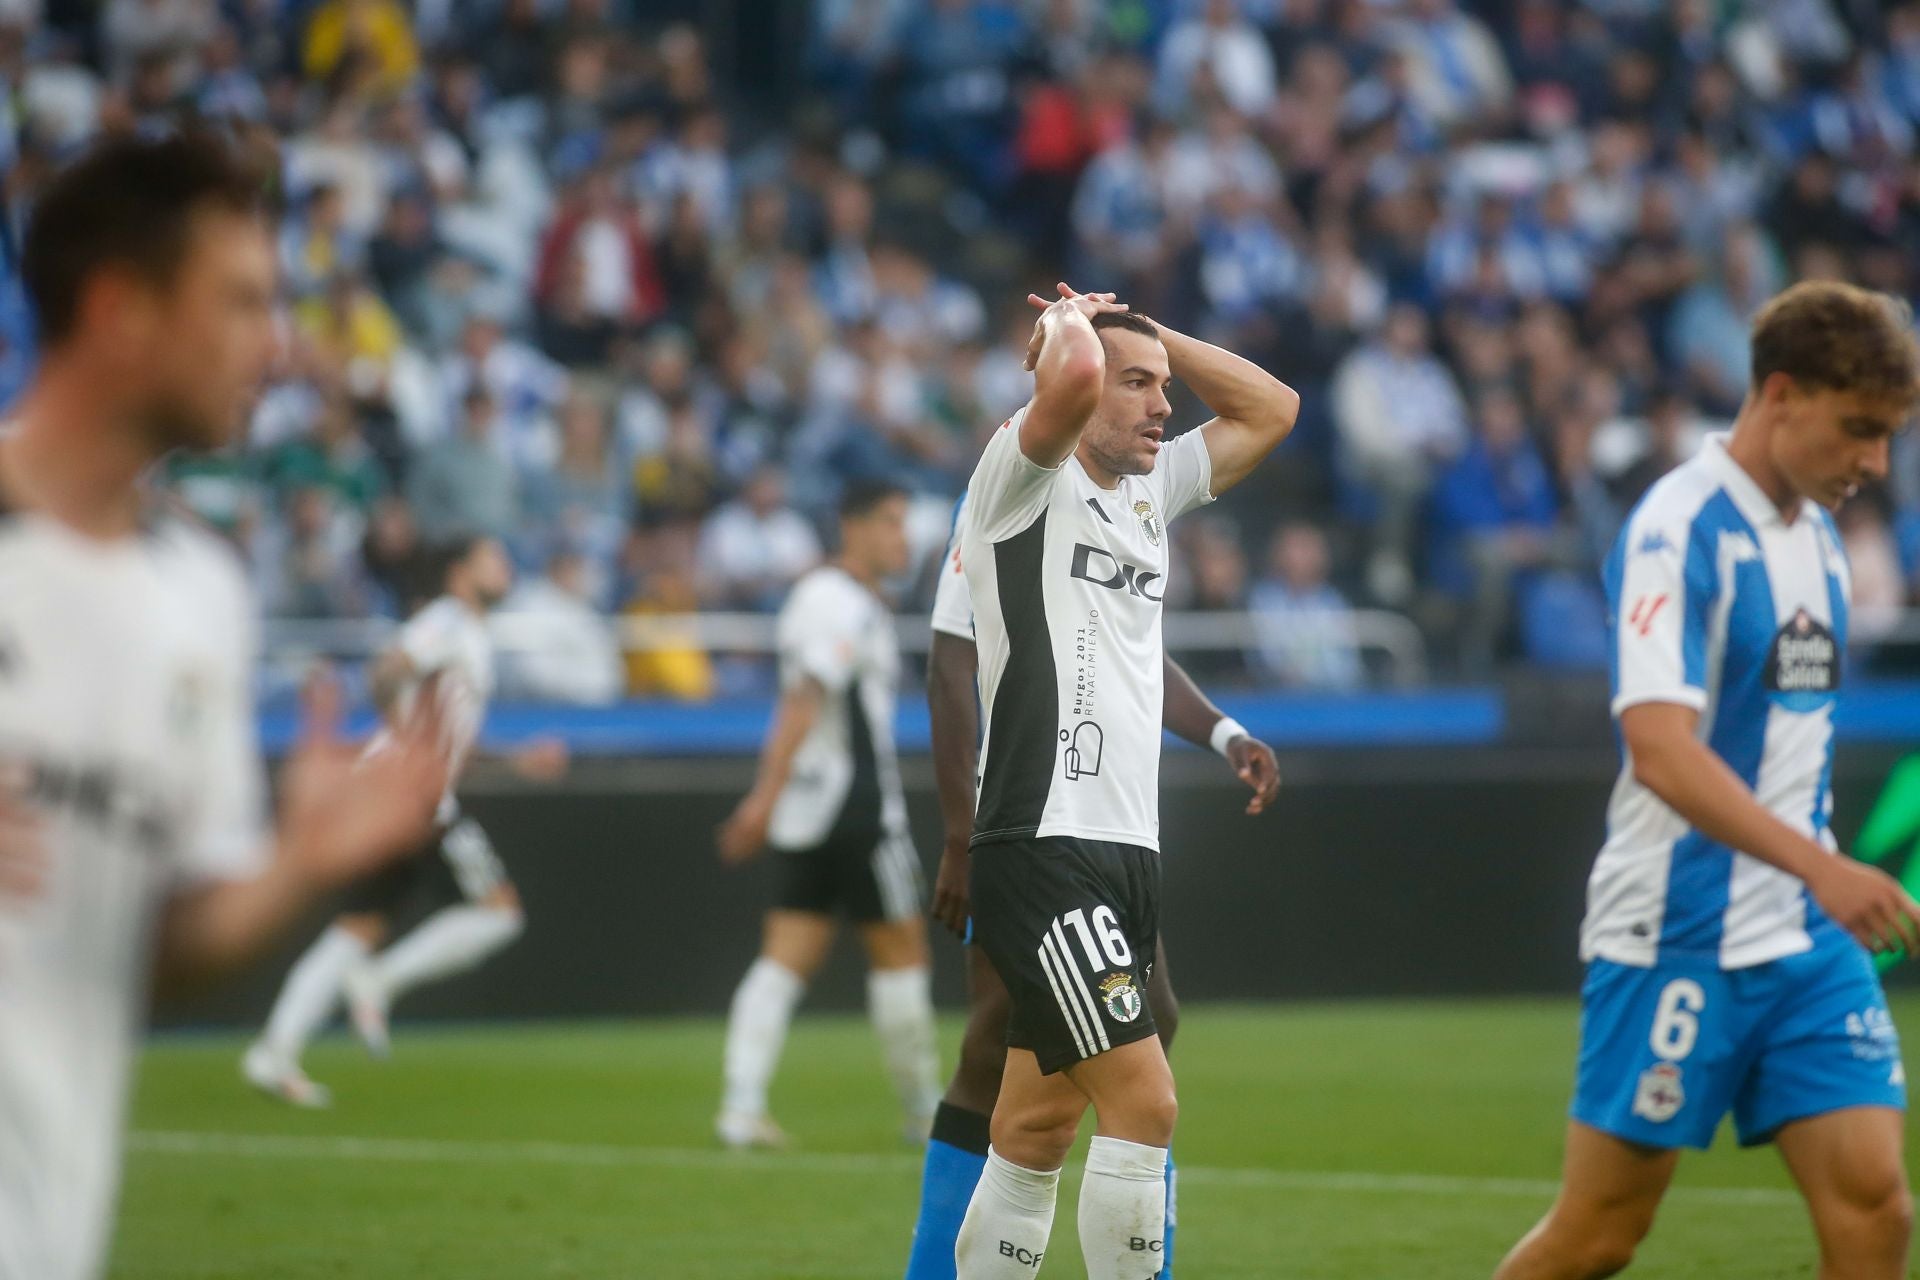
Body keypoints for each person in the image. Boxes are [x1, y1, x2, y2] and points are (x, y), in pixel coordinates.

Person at [0, 133, 449, 1280]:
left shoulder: (201, 594)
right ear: (121, 309)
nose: (280, 343)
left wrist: (297, 863)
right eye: (242, 302)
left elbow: (141, 947)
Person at [1493, 280, 1920, 1280]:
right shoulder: (1675, 530)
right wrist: (1827, 866)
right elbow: (1662, 749)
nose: (1876, 462)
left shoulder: (1817, 536)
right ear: (1780, 394)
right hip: (1675, 930)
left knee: (1876, 1210)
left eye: (1890, 435)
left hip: (1804, 942)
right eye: (1860, 429)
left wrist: (1812, 880)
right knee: (1599, 1234)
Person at [952, 284, 1297, 1279]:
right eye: (1136, 385)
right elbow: (1062, 372)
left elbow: (1274, 409)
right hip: (1043, 840)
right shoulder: (1024, 477)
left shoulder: (1151, 491)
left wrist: (1155, 339)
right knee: (1146, 1100)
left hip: (1122, 851)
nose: (1164, 403)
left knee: (1036, 1121)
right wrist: (1072, 319)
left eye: (1164, 385)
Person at [903, 484, 1281, 1280]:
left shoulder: (1120, 503)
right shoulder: (1009, 486)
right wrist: (959, 832)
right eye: (1131, 380)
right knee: (1016, 1042)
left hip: (1100, 821)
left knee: (1051, 1044)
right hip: (1024, 822)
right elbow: (948, 660)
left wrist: (1222, 730)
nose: (1150, 406)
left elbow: (1137, 649)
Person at [243, 534, 566, 1105]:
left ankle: (275, 1052)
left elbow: (450, 733)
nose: (505, 568)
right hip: (411, 795)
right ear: (460, 573)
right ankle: (377, 983)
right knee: (499, 912)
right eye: (493, 559)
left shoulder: (473, 635)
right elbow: (387, 671)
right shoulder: (446, 620)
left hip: (407, 790)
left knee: (358, 927)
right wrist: (407, 743)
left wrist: (515, 759)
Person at [713, 480, 938, 1150]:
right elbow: (803, 700)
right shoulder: (839, 603)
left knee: (785, 957)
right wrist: (760, 796)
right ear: (853, 526)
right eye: (891, 522)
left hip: (808, 811)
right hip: (859, 810)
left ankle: (740, 1106)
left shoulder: (831, 599)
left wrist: (774, 800)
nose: (903, 538)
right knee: (901, 954)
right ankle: (925, 1111)